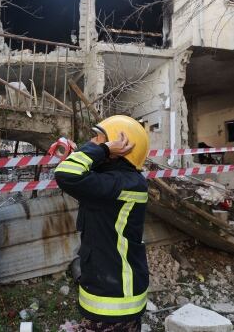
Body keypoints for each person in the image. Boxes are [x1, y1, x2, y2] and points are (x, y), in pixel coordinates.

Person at [55, 115, 150, 332]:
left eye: (99, 139)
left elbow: (66, 175)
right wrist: (92, 151)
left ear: (120, 149)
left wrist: (103, 149)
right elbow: (78, 173)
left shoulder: (125, 184)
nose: (92, 142)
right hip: (106, 286)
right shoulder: (115, 180)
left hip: (116, 299)